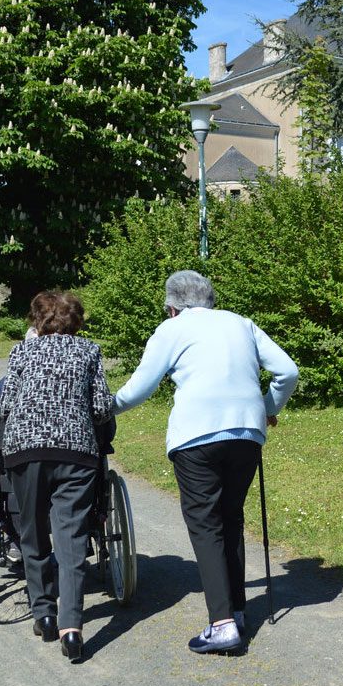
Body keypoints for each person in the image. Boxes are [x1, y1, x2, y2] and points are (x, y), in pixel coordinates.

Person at [114, 270, 298, 655]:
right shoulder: (242, 323)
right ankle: (237, 611)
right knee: (230, 517)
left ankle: (223, 625)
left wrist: (105, 407)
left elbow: (140, 388)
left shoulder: (172, 329)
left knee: (205, 524)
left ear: (172, 306)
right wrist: (266, 408)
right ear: (210, 299)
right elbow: (287, 371)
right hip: (246, 434)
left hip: (196, 435)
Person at [0, 291, 114, 664]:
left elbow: (4, 404)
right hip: (76, 452)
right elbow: (100, 407)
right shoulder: (89, 352)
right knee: (71, 537)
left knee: (33, 531)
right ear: (77, 321)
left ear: (37, 321)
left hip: (25, 450)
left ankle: (44, 613)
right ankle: (72, 628)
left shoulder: (22, 352)